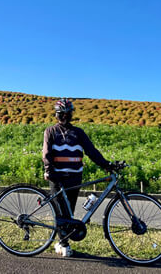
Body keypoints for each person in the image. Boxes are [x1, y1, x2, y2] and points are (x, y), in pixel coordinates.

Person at [42, 98, 114, 257]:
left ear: (71, 115)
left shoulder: (78, 133)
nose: (65, 118)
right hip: (57, 178)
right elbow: (46, 153)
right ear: (56, 115)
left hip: (74, 178)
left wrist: (106, 164)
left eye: (68, 115)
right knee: (60, 213)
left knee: (69, 213)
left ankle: (62, 242)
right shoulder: (50, 131)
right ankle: (64, 244)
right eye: (61, 115)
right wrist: (49, 169)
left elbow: (91, 151)